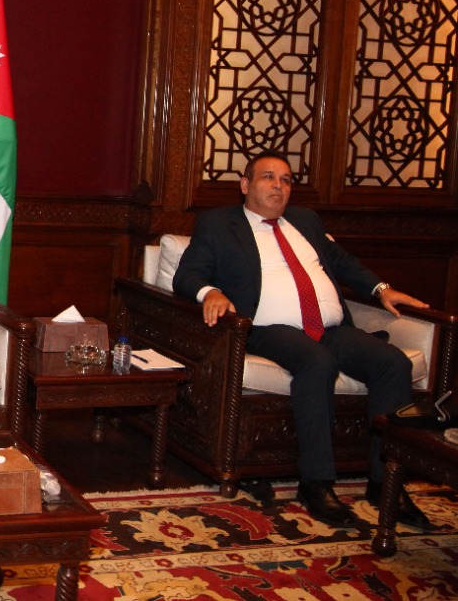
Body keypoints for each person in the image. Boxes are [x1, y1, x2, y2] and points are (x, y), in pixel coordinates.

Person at [173, 150, 432, 529]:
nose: (278, 186)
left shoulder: (306, 221)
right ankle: (316, 483)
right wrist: (209, 291)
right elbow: (187, 275)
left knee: (393, 363)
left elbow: (342, 263)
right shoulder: (218, 224)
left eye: (286, 180)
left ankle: (386, 483)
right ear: (245, 185)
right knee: (316, 361)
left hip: (329, 329)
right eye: (268, 177)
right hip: (267, 329)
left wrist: (381, 289)